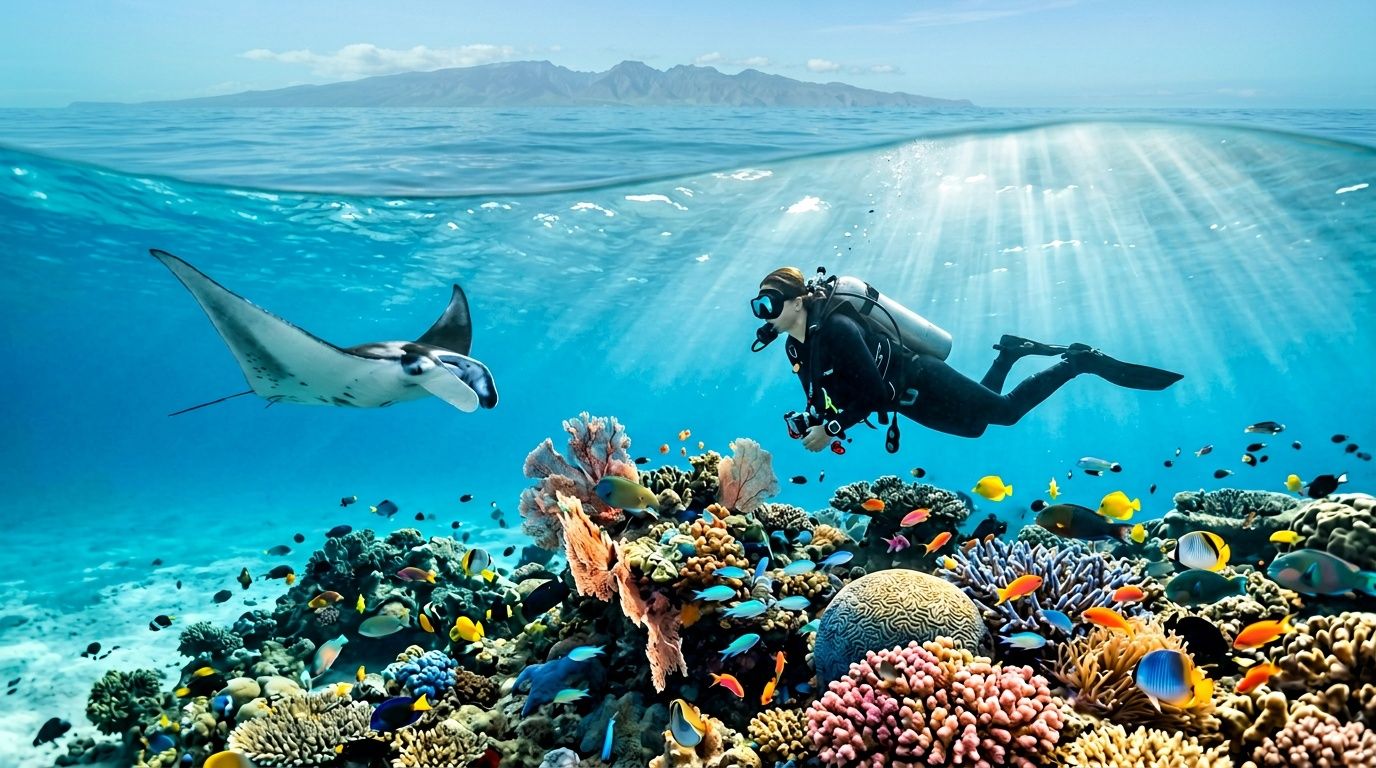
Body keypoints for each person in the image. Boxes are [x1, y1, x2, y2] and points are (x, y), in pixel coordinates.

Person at [750, 267, 1182, 451]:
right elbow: (828, 394)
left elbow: (874, 391)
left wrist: (832, 429)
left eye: (769, 304)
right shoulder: (796, 346)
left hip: (922, 376)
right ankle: (1010, 354)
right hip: (906, 402)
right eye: (759, 307)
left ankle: (1079, 362)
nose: (764, 314)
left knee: (1007, 413)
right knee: (976, 427)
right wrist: (812, 419)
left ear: (798, 299)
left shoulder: (840, 330)